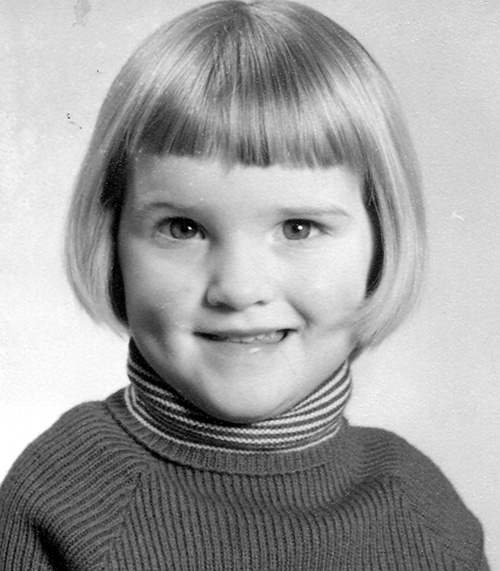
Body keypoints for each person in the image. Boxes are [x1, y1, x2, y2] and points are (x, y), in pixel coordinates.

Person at [0, 0, 489, 568]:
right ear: (111, 242)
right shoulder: (63, 494)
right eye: (183, 228)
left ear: (382, 245)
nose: (237, 289)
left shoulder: (422, 508)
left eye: (298, 228)